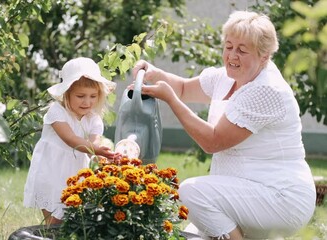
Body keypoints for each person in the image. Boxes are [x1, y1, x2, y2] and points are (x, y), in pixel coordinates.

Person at [132, 11, 316, 240]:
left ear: (264, 56)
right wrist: (154, 73)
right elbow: (181, 88)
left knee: (191, 192)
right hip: (248, 194)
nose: (232, 55)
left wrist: (170, 100)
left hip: (281, 198)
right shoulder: (226, 77)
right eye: (228, 46)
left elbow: (213, 141)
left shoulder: (266, 89)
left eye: (242, 50)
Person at [23, 57, 119, 225]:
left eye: (93, 96)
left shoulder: (94, 119)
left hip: (74, 172)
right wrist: (95, 150)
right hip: (51, 169)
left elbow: (93, 145)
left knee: (72, 218)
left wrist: (100, 156)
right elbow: (71, 139)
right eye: (80, 96)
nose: (87, 102)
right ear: (66, 93)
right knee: (54, 221)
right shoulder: (57, 112)